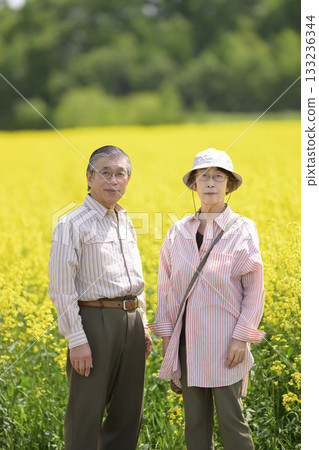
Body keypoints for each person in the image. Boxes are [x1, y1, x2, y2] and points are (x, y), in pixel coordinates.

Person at [149, 148, 265, 450]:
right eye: (204, 177)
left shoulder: (242, 229)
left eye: (218, 177)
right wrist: (167, 340)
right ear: (194, 185)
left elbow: (254, 289)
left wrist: (242, 338)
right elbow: (168, 290)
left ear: (229, 185)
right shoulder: (177, 232)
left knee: (232, 421)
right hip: (188, 344)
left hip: (227, 343)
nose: (210, 183)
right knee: (195, 424)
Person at [49, 145, 152, 450]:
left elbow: (134, 279)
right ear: (89, 177)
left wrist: (142, 323)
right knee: (86, 413)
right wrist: (76, 339)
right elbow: (61, 287)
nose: (112, 180)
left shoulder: (125, 220)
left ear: (128, 179)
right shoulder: (71, 224)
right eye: (105, 173)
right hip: (93, 323)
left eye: (120, 174)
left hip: (131, 322)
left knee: (128, 412)